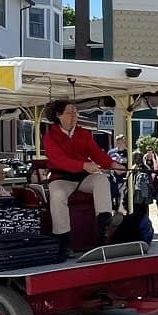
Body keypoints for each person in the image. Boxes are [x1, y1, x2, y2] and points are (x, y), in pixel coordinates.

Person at [42, 99, 125, 251]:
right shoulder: (49, 137)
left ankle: (104, 225)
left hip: (82, 176)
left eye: (75, 112)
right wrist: (83, 165)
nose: (74, 116)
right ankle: (63, 240)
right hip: (61, 178)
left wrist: (113, 165)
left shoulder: (83, 133)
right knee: (58, 196)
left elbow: (95, 153)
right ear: (59, 115)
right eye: (70, 113)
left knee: (101, 179)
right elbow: (59, 160)